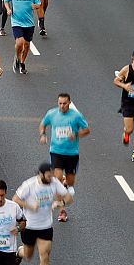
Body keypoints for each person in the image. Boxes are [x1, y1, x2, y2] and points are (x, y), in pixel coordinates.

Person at [14, 162, 73, 265]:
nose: (50, 178)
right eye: (47, 176)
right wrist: (30, 206)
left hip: (45, 226)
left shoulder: (54, 182)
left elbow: (69, 197)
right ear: (40, 174)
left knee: (44, 256)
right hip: (29, 226)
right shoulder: (29, 185)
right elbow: (15, 199)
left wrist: (60, 203)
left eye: (51, 175)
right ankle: (19, 252)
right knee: (28, 255)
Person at [40, 92, 91, 222]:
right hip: (56, 151)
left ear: (69, 103)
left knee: (70, 184)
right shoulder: (52, 114)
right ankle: (62, 211)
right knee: (56, 180)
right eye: (60, 103)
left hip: (72, 153)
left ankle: (65, 183)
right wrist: (43, 134)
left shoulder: (76, 116)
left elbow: (87, 130)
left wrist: (76, 134)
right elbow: (43, 124)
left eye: (64, 103)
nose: (62, 106)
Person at [4, 0, 41, 74]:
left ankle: (22, 62)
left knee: (27, 45)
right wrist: (8, 9)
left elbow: (38, 3)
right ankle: (17, 57)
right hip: (16, 21)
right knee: (20, 42)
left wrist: (36, 6)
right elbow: (6, 0)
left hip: (29, 23)